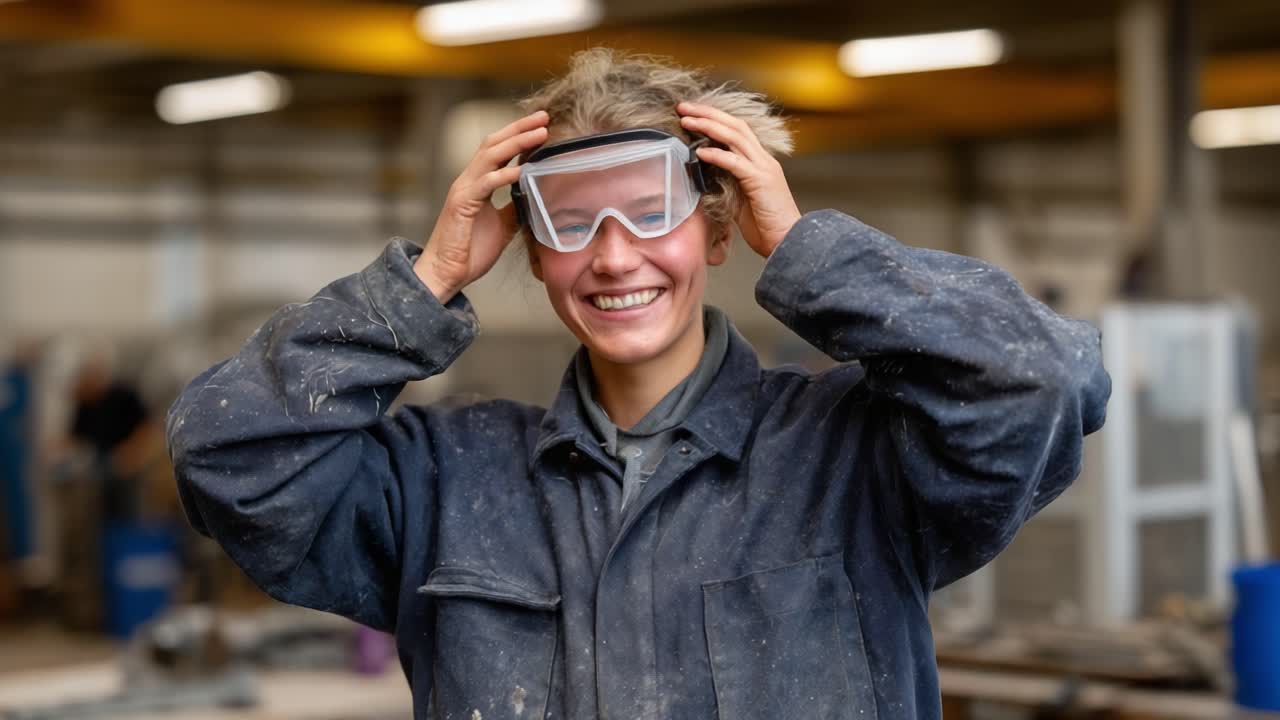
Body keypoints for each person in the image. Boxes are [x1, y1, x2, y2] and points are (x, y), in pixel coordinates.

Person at [167, 49, 1110, 720]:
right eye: (571, 221)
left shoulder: (857, 458)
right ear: (532, 253)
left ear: (718, 228)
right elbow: (224, 453)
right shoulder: (444, 483)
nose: (613, 259)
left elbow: (1044, 381)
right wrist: (422, 286)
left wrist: (812, 254)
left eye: (649, 212)